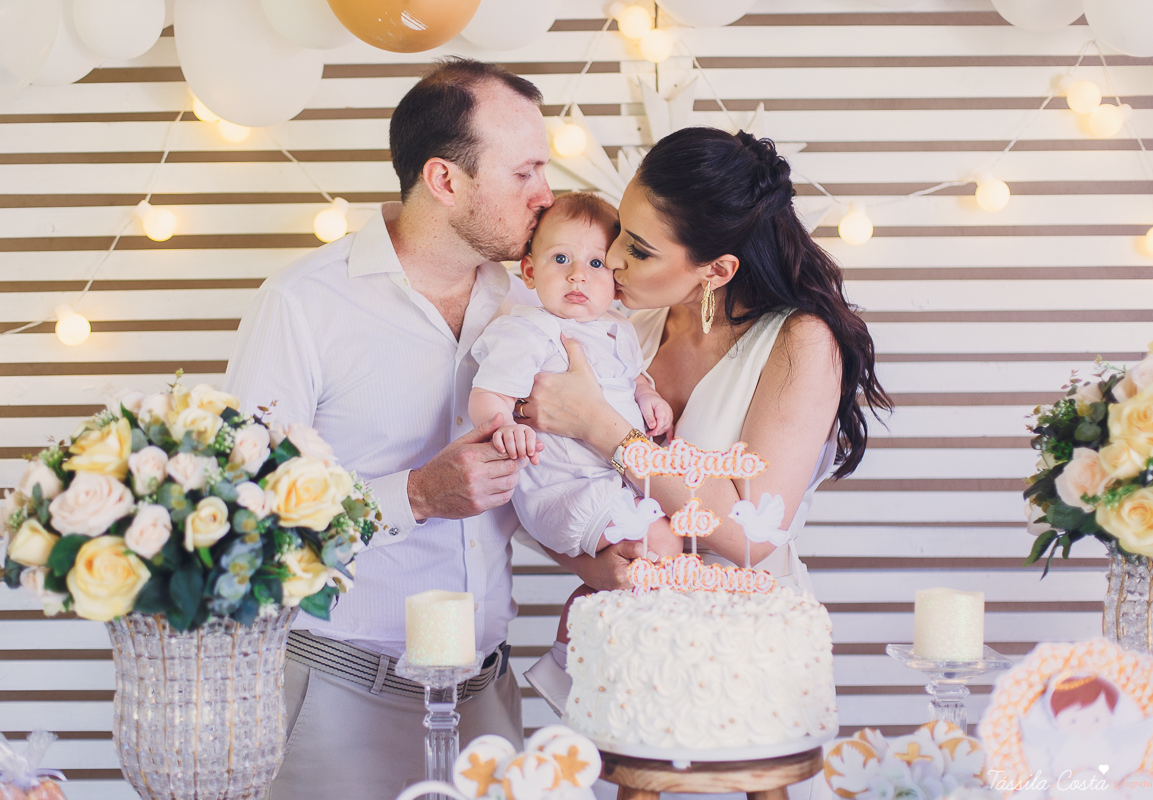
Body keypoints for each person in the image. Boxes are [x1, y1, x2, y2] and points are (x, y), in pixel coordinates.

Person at [521, 127, 892, 800]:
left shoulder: (800, 343)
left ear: (717, 269)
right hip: (637, 657)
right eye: (619, 232)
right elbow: (554, 483)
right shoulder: (620, 326)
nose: (612, 260)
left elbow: (749, 532)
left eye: (639, 248)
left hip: (744, 672)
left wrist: (602, 426)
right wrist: (590, 565)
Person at [223, 58, 553, 800]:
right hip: (339, 706)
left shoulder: (536, 304)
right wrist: (418, 495)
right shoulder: (302, 305)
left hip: (490, 705)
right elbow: (247, 521)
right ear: (445, 180)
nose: (547, 195)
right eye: (525, 173)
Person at [468, 192, 678, 685]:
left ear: (616, 278)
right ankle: (579, 659)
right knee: (659, 547)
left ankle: (575, 647)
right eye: (560, 259)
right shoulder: (527, 332)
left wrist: (647, 395)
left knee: (637, 568)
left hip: (613, 479)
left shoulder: (618, 330)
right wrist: (506, 425)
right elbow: (486, 395)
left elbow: (631, 379)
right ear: (528, 271)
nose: (577, 275)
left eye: (595, 263)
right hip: (565, 487)